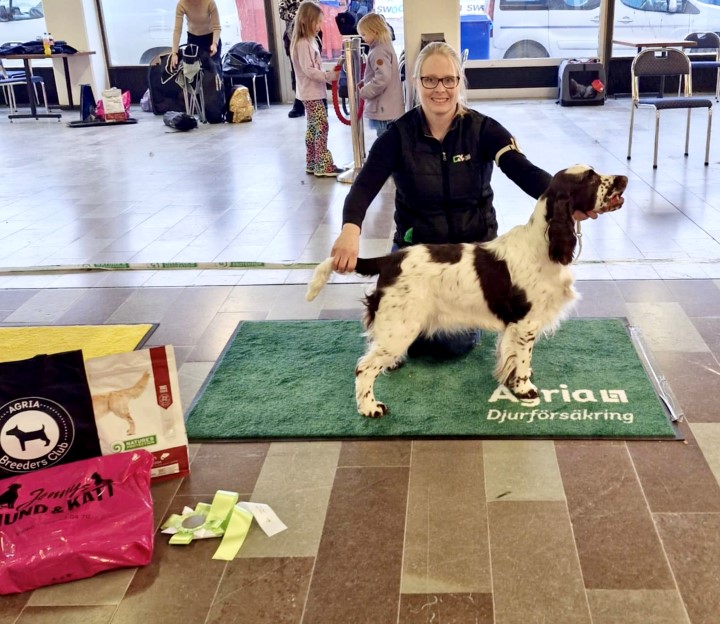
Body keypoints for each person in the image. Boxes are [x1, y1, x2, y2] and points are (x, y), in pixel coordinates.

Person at [330, 41, 596, 358]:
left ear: (459, 82)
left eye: (448, 80)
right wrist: (350, 228)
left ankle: (472, 315)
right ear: (416, 82)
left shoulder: (484, 130)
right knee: (401, 334)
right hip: (417, 249)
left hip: (474, 259)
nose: (439, 89)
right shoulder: (397, 136)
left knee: (447, 344)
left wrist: (567, 199)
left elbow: (523, 171)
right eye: (429, 79)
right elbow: (364, 185)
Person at [291, 1, 344, 177]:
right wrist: (328, 77)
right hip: (311, 92)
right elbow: (309, 70)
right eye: (318, 22)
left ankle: (312, 161)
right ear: (306, 21)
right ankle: (322, 164)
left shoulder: (307, 41)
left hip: (310, 92)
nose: (320, 26)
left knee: (314, 127)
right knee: (321, 125)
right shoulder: (303, 44)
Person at [356, 13, 404, 137]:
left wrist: (365, 91)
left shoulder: (378, 51)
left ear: (374, 31)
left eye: (364, 34)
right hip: (389, 106)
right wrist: (365, 82)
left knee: (384, 141)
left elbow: (382, 78)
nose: (362, 38)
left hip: (383, 108)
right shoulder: (385, 47)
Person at [280, 0, 322, 118]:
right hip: (295, 33)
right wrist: (302, 16)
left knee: (316, 64)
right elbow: (282, 12)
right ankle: (299, 103)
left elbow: (317, 7)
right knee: (299, 70)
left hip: (312, 34)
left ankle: (320, 100)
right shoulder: (301, 43)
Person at [171, 0, 222, 71]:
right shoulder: (181, 4)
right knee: (192, 72)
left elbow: (217, 27)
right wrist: (174, 53)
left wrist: (214, 44)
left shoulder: (210, 2)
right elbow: (177, 30)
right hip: (193, 40)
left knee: (214, 70)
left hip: (210, 39)